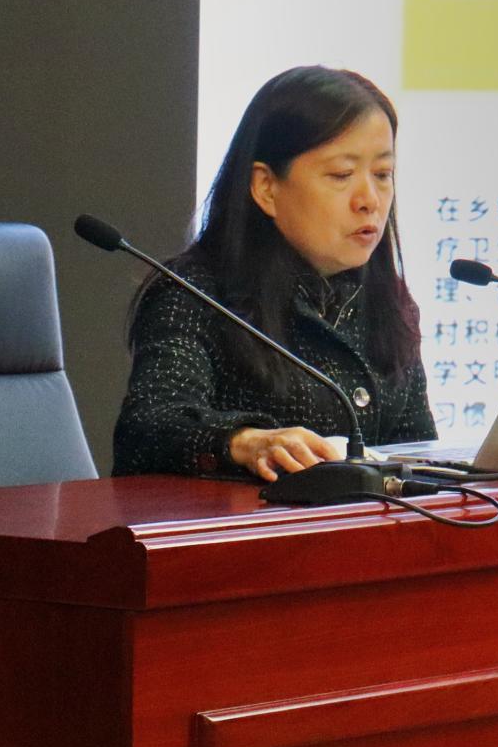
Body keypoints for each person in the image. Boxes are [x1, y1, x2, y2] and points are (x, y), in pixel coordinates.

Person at [112, 65, 434, 479]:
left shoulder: (383, 301)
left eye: (383, 175)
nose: (370, 200)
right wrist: (243, 442)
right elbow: (148, 429)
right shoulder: (196, 295)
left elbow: (416, 454)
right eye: (342, 175)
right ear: (265, 187)